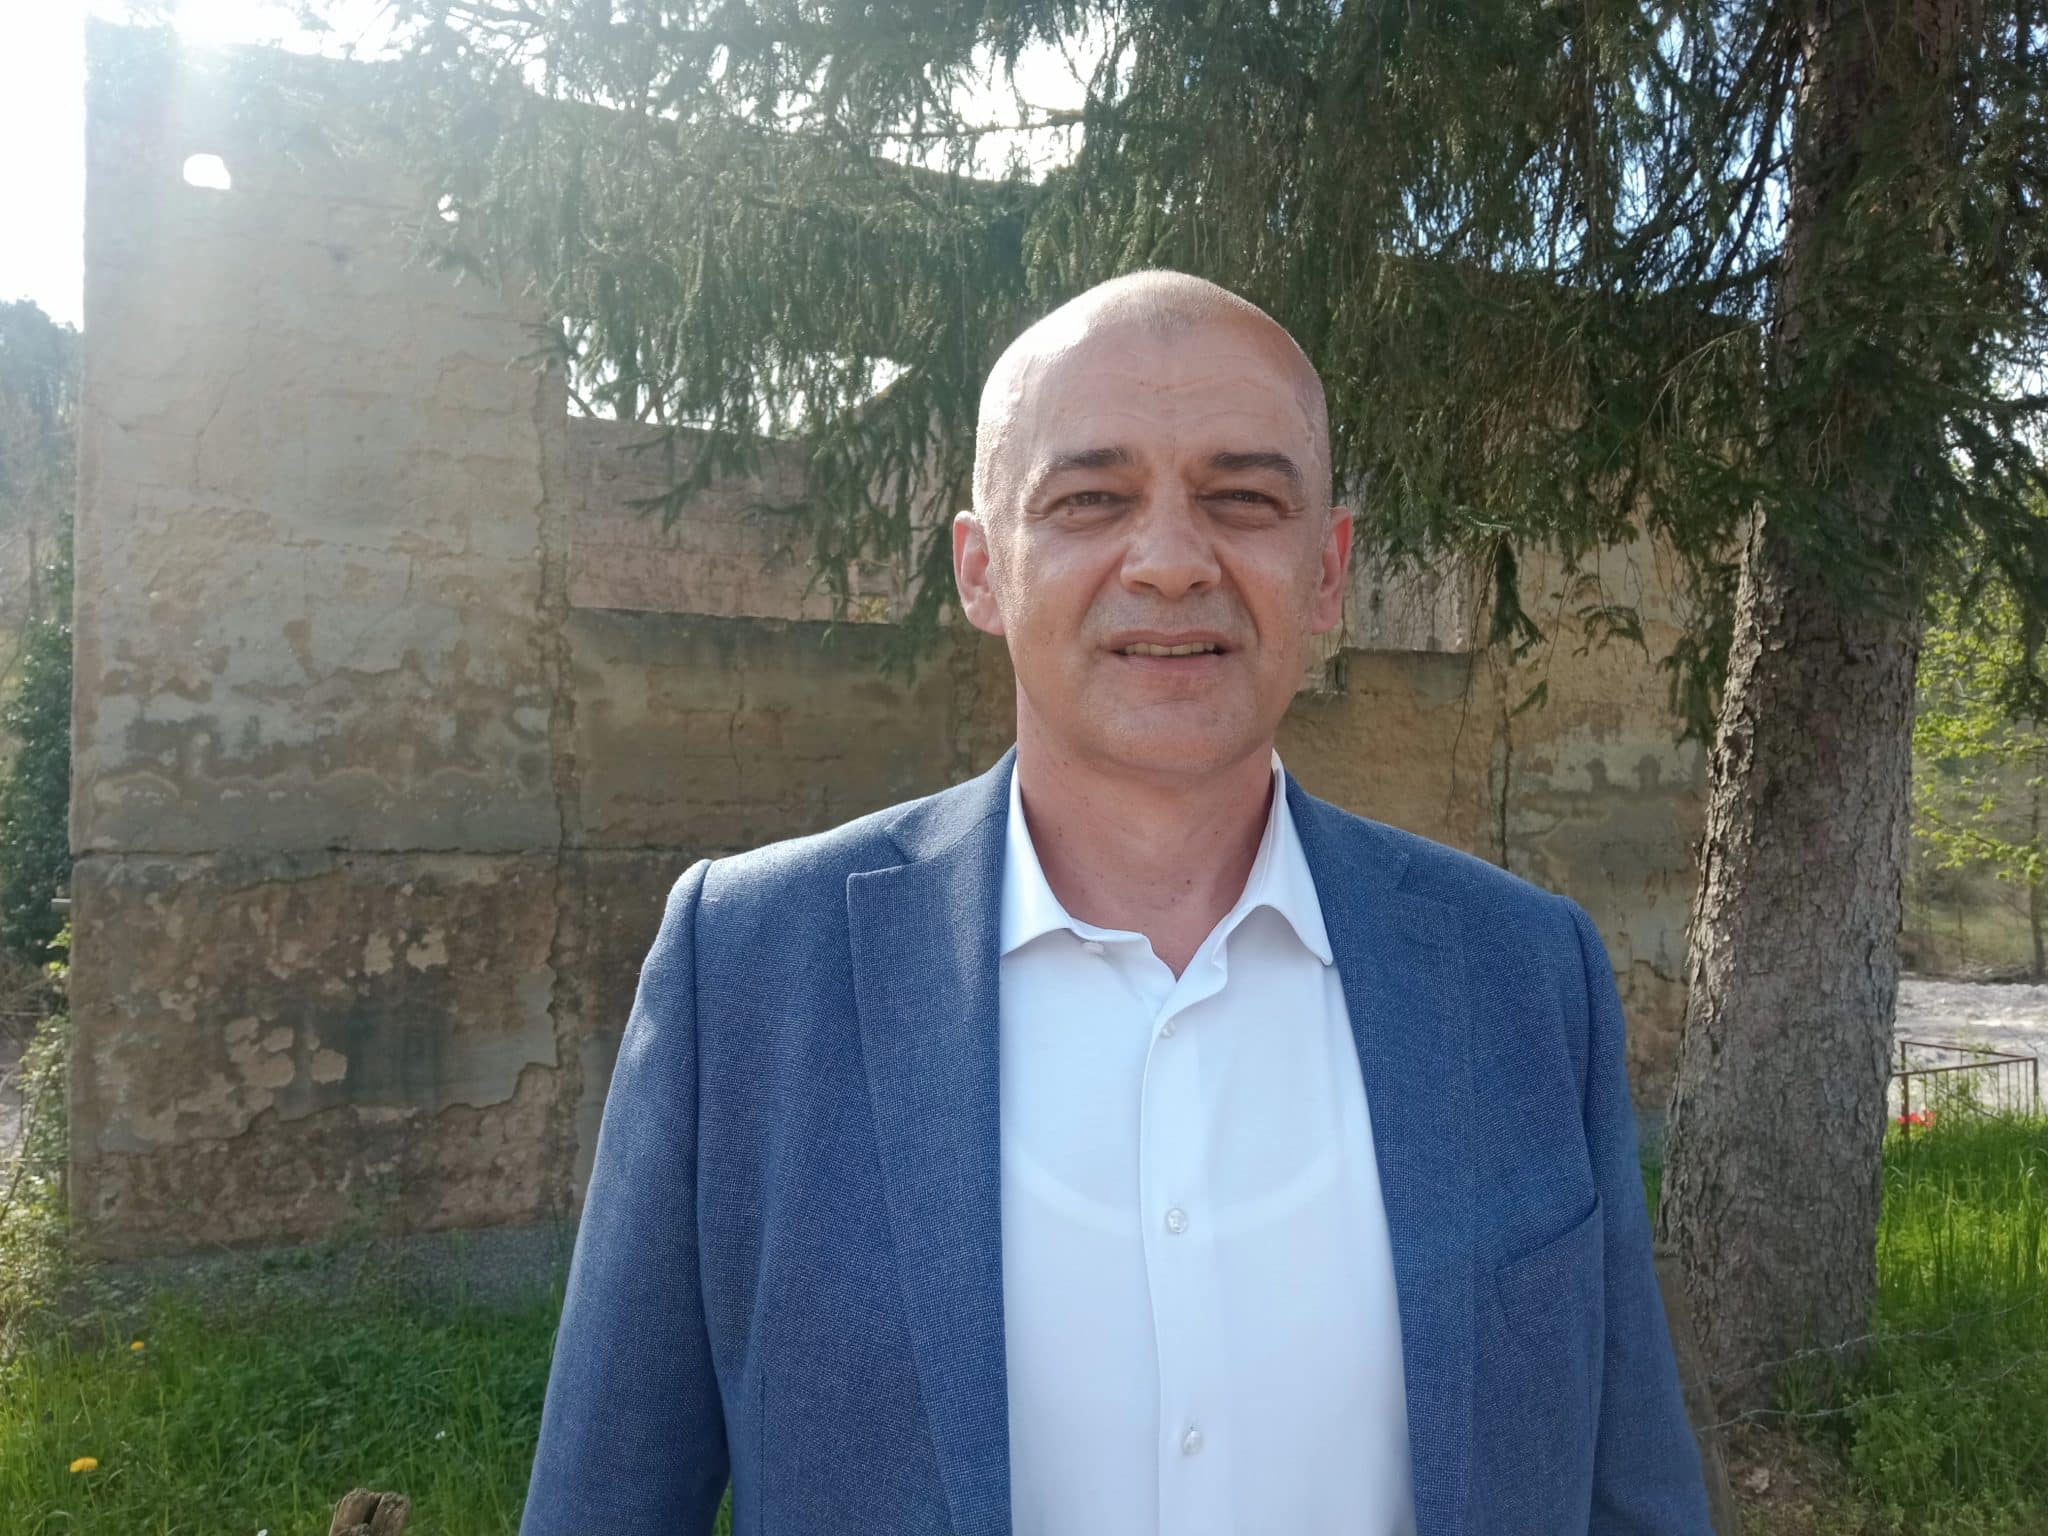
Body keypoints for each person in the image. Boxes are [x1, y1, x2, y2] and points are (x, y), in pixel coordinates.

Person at [518, 271, 1714, 1535]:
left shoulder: (1524, 974)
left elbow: (1629, 1498)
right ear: (982, 570)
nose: (1170, 562)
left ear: (1326, 573)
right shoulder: (750, 972)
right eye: (1089, 499)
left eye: (1241, 499)